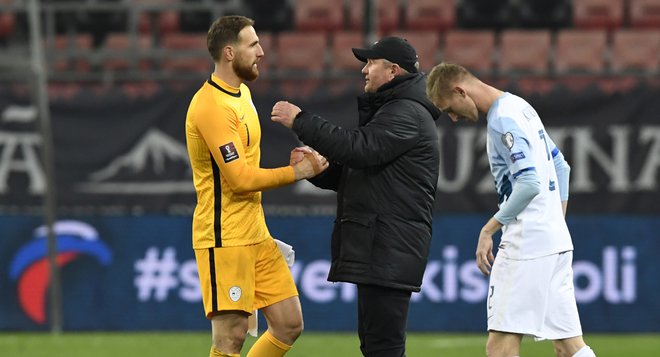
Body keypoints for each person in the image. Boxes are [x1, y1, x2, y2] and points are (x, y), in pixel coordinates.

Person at [271, 36, 441, 357]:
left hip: (389, 246)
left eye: (370, 63)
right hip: (382, 246)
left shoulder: (407, 112)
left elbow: (358, 148)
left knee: (383, 348)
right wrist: (319, 170)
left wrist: (301, 121)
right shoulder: (397, 110)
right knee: (376, 347)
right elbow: (360, 172)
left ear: (392, 70)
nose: (364, 70)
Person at [425, 62, 596, 357]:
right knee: (569, 347)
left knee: (500, 347)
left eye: (448, 108)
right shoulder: (520, 106)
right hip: (553, 240)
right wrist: (555, 221)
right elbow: (561, 167)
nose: (452, 118)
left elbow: (529, 183)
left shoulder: (502, 119)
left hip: (526, 242)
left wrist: (489, 228)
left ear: (460, 90)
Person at [184, 15, 327, 357]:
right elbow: (241, 179)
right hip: (225, 238)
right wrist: (297, 173)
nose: (262, 51)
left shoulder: (242, 94)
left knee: (289, 323)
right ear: (230, 53)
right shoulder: (210, 106)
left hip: (256, 233)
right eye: (253, 44)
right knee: (229, 339)